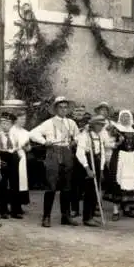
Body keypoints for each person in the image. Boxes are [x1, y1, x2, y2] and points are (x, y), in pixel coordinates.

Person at [30, 96, 80, 228]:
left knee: (67, 186)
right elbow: (33, 134)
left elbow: (78, 136)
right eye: (60, 107)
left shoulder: (71, 123)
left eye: (65, 107)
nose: (63, 110)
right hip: (53, 153)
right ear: (56, 108)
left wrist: (75, 141)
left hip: (67, 153)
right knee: (51, 186)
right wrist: (44, 141)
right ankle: (46, 217)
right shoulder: (49, 123)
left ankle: (65, 216)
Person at [107, 110, 134, 221]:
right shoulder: (115, 129)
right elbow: (108, 143)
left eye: (127, 116)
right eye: (123, 116)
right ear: (120, 118)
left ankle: (126, 208)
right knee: (118, 182)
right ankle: (116, 210)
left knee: (129, 183)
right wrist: (117, 143)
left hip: (131, 159)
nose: (125, 118)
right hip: (119, 157)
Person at [75, 115, 106, 227]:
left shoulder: (100, 136)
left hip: (97, 164)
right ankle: (87, 218)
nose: (101, 127)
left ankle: (92, 215)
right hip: (88, 164)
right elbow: (79, 153)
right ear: (93, 125)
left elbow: (102, 153)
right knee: (89, 192)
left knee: (95, 191)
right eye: (99, 124)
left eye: (102, 125)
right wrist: (87, 168)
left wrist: (101, 169)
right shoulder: (85, 136)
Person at [0, 112, 19, 219]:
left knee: (14, 184)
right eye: (3, 123)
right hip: (3, 158)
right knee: (3, 185)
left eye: (8, 123)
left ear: (12, 125)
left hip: (13, 158)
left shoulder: (14, 135)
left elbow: (17, 147)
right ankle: (3, 210)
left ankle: (15, 210)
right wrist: (0, 160)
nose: (5, 125)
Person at [8, 111, 31, 216]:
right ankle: (14, 209)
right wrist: (20, 146)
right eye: (21, 119)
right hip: (14, 157)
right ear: (16, 119)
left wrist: (27, 147)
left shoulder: (26, 132)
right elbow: (11, 146)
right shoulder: (12, 131)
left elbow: (28, 147)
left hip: (22, 157)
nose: (23, 121)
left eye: (24, 119)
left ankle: (19, 206)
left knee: (22, 181)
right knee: (15, 181)